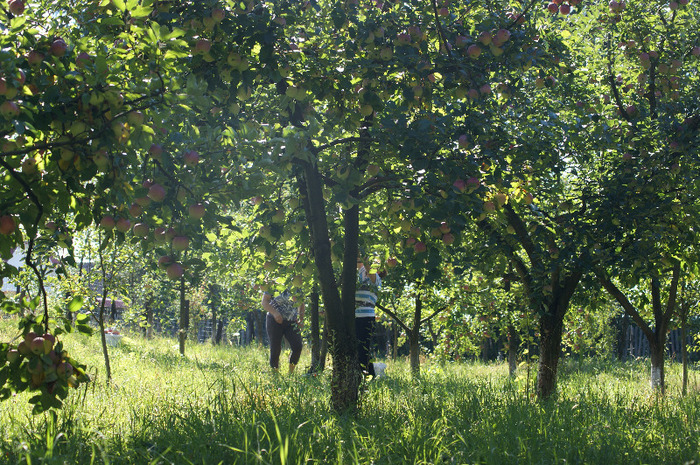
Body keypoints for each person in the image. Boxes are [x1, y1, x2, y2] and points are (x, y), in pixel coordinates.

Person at [262, 288, 304, 374]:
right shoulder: (274, 282)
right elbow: (264, 302)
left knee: (297, 346)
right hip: (274, 320)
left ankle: (291, 373)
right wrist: (275, 313)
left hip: (292, 320)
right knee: (275, 348)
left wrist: (301, 319)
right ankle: (275, 373)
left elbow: (301, 303)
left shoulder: (298, 284)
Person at [356, 255, 382, 377]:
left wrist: (364, 257)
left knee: (363, 350)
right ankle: (364, 375)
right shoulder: (360, 275)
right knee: (357, 349)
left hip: (366, 318)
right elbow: (360, 265)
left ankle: (370, 376)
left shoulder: (375, 279)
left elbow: (367, 268)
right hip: (354, 317)